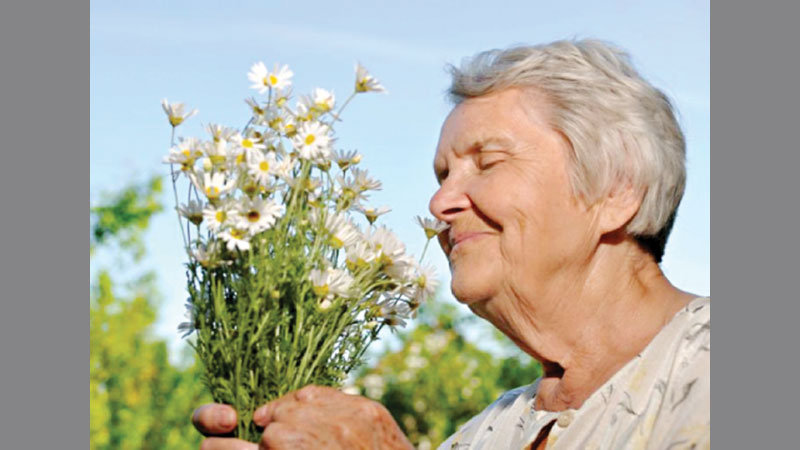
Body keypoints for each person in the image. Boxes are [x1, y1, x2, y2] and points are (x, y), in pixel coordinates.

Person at [192, 39, 710, 450]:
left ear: (615, 192)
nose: (439, 202)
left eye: (488, 162)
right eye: (442, 174)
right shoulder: (482, 436)